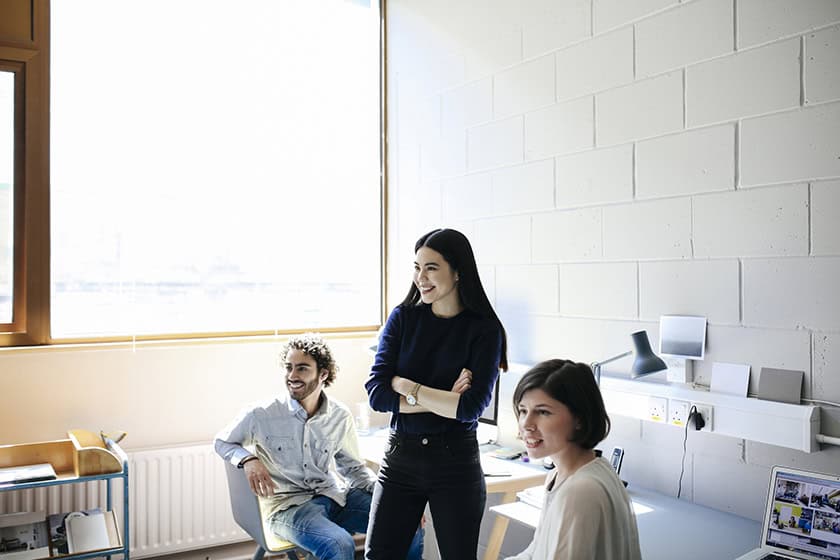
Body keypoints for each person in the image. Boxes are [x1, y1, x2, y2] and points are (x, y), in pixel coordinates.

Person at [364, 228, 508, 559]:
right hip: (400, 459)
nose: (421, 277)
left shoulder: (484, 330)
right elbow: (377, 394)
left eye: (431, 267)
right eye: (417, 267)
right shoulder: (402, 318)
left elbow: (470, 408)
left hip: (455, 462)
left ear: (458, 272)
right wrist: (443, 398)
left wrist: (408, 387)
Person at [215, 333, 423, 560]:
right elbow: (222, 441)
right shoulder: (261, 414)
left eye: (302, 368)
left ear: (323, 374)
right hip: (288, 507)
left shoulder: (340, 416)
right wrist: (248, 459)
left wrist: (393, 499)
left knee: (406, 523)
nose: (292, 376)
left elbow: (353, 469)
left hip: (335, 496)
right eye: (288, 367)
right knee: (339, 543)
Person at [505, 359, 642, 560]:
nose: (526, 424)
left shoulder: (580, 490)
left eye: (543, 412)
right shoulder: (561, 474)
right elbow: (535, 552)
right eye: (523, 410)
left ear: (579, 419)